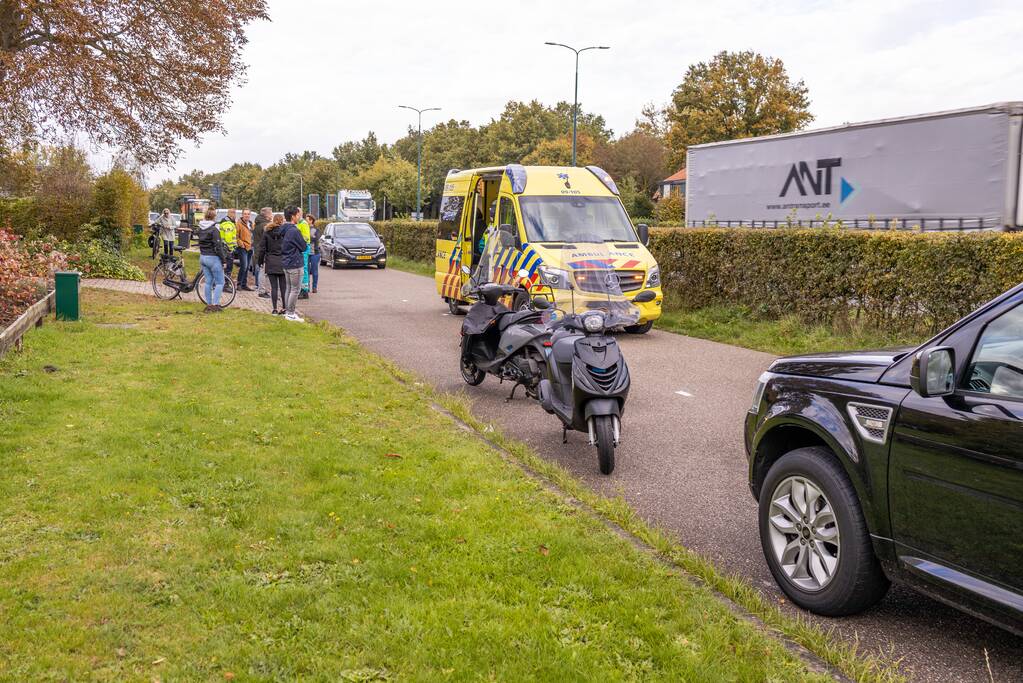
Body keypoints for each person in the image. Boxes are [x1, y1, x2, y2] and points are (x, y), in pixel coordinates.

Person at [195, 207, 227, 313]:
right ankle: (215, 304)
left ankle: (209, 304)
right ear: (214, 216)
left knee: (208, 282)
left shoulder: (200, 228)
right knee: (220, 282)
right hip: (213, 258)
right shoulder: (214, 230)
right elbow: (218, 246)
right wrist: (224, 260)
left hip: (203, 257)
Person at [280, 205, 307, 322]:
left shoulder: (283, 229)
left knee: (289, 288)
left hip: (286, 262)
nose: (299, 217)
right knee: (295, 290)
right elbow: (304, 246)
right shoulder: (294, 231)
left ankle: (288, 312)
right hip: (295, 263)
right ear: (293, 216)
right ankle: (290, 313)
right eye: (298, 215)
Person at [258, 213, 287, 315]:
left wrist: (260, 261)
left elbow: (262, 249)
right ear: (282, 221)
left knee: (273, 287)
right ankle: (284, 308)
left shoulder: (267, 232)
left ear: (273, 220)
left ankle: (274, 309)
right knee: (283, 287)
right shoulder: (285, 233)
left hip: (271, 261)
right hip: (283, 261)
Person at [253, 207, 272, 297]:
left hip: (258, 249)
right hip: (263, 250)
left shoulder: (257, 223)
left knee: (261, 270)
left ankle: (262, 289)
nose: (272, 215)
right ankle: (262, 291)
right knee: (263, 271)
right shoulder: (265, 225)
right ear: (267, 215)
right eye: (271, 213)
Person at [235, 208, 254, 290]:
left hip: (250, 247)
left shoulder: (251, 223)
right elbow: (236, 236)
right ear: (242, 215)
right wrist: (241, 244)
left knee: (247, 267)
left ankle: (244, 284)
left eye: (248, 214)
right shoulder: (238, 224)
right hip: (243, 248)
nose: (247, 215)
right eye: (245, 214)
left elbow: (252, 234)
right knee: (244, 266)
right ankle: (239, 284)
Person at [296, 211, 311, 299]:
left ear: (299, 214)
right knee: (301, 269)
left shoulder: (303, 223)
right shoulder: (299, 223)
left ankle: (304, 290)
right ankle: (302, 289)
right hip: (301, 247)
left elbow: (306, 238)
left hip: (304, 248)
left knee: (304, 269)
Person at [218, 209, 238, 277]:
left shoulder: (225, 222)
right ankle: (226, 282)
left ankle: (224, 281)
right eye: (235, 214)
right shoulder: (228, 224)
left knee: (225, 268)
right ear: (232, 214)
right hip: (227, 249)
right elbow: (228, 238)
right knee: (228, 268)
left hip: (224, 248)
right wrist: (231, 249)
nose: (235, 216)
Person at [308, 219, 321, 293]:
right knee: (306, 271)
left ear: (311, 221)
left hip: (315, 253)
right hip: (306, 253)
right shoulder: (304, 228)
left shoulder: (316, 229)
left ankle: (314, 287)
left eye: (307, 219)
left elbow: (315, 239)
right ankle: (306, 287)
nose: (306, 221)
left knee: (314, 271)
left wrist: (307, 237)